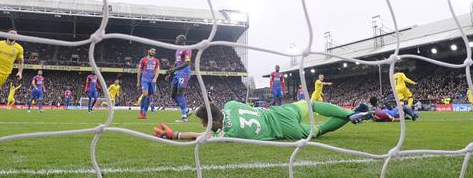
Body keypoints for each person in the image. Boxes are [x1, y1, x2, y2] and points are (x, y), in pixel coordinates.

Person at [153, 99, 371, 141]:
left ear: (212, 122)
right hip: (281, 111)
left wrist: (176, 135)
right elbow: (249, 108)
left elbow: (201, 136)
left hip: (284, 130)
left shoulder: (228, 134)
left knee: (321, 129)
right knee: (312, 105)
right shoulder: (231, 104)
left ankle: (349, 117)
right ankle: (349, 112)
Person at [166, 35, 192, 122]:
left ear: (182, 40)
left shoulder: (187, 49)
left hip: (184, 73)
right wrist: (171, 73)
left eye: (177, 39)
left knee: (180, 93)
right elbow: (176, 62)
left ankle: (184, 116)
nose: (175, 40)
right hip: (177, 74)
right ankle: (186, 110)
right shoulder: (177, 50)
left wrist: (175, 69)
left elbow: (187, 62)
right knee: (173, 95)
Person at [137, 47, 160, 119]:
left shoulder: (156, 61)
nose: (153, 52)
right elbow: (139, 71)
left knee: (149, 97)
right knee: (145, 94)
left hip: (152, 81)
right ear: (148, 51)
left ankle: (144, 113)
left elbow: (157, 70)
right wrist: (138, 82)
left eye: (154, 51)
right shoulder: (143, 60)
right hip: (144, 80)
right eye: (152, 50)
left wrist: (155, 78)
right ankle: (141, 111)